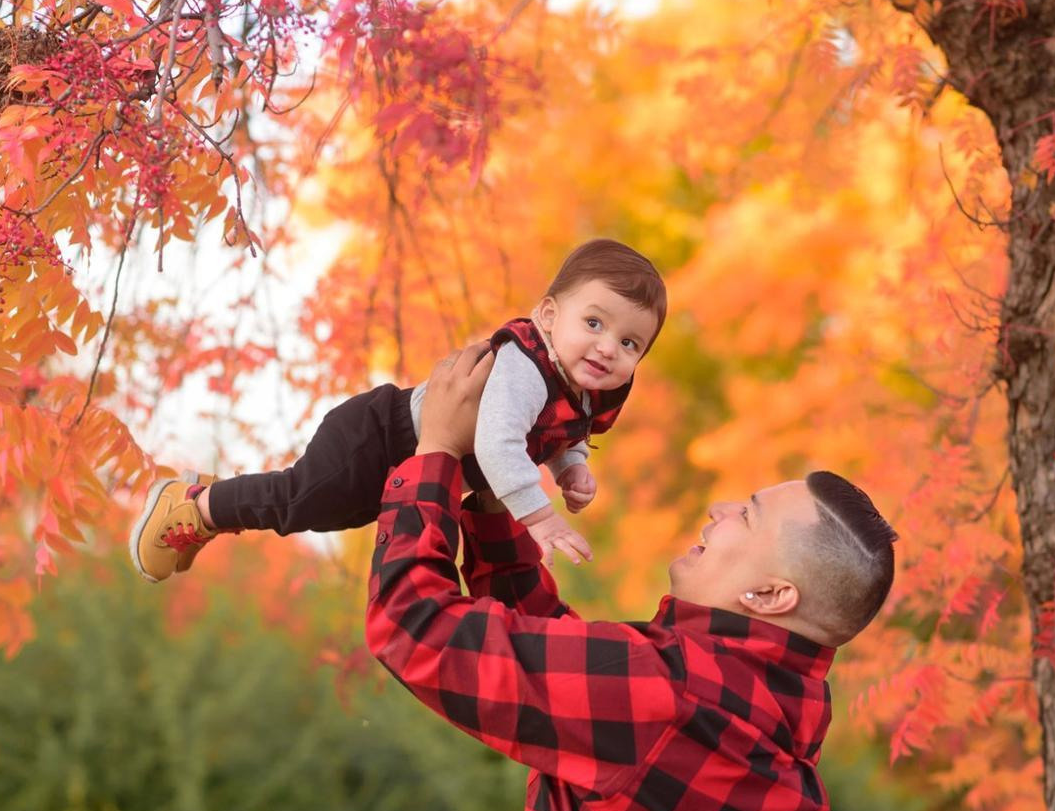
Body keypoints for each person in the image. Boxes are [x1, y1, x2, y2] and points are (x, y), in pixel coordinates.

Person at [367, 343, 898, 811]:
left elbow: (413, 627)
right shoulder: (769, 719)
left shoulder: (671, 694)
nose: (720, 508)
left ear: (771, 596)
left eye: (746, 516)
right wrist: (494, 497)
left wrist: (437, 451)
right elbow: (564, 664)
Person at [129, 238, 666, 583]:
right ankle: (196, 506)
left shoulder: (583, 389)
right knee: (302, 502)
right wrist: (540, 518)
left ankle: (210, 501)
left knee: (331, 517)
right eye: (593, 324)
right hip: (380, 435)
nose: (607, 348)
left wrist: (572, 465)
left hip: (420, 465)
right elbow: (499, 444)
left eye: (629, 343)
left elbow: (560, 432)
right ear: (549, 315)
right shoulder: (528, 366)